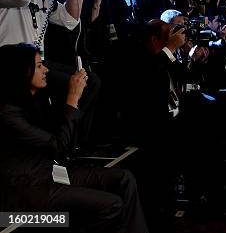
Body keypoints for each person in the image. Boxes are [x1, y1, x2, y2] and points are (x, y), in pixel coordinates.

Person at [0, 43, 148, 232]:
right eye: (38, 66)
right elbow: (58, 145)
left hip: (49, 172)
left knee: (124, 179)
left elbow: (64, 139)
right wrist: (72, 98)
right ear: (21, 72)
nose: (46, 69)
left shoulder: (36, 97)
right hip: (26, 189)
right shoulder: (8, 113)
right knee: (111, 205)